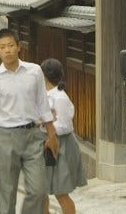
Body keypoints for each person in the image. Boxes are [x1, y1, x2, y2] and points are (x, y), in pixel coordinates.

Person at [0, 29, 59, 214]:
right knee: (5, 194)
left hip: (33, 135)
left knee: (39, 191)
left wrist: (51, 135)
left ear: (19, 47)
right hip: (6, 137)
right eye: (2, 47)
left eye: (10, 45)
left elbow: (43, 104)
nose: (7, 50)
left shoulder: (34, 71)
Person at [40, 58, 87, 213]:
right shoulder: (46, 95)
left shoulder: (59, 97)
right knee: (41, 190)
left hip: (62, 145)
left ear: (44, 76)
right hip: (46, 143)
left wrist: (44, 125)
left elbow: (64, 126)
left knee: (61, 192)